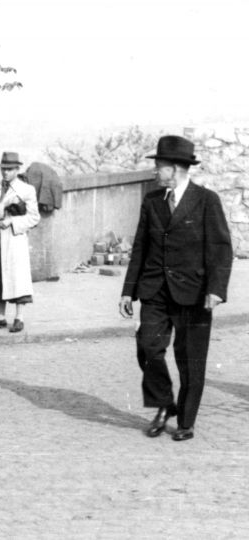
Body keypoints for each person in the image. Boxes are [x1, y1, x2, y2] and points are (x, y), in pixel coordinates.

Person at [120, 135, 232, 442]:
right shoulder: (152, 201)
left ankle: (186, 420)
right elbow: (140, 247)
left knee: (190, 359)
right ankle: (163, 404)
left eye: (159, 166)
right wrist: (128, 290)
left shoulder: (206, 200)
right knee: (147, 346)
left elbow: (221, 249)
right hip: (155, 290)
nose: (155, 172)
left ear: (176, 168)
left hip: (195, 293)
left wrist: (216, 289)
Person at [0, 152, 40, 333]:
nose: (5, 173)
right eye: (3, 169)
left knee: (18, 276)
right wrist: (3, 206)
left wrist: (12, 222)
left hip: (14, 237)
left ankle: (19, 317)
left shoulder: (27, 190)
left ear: (17, 169)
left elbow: (34, 217)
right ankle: (0, 316)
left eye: (10, 169)